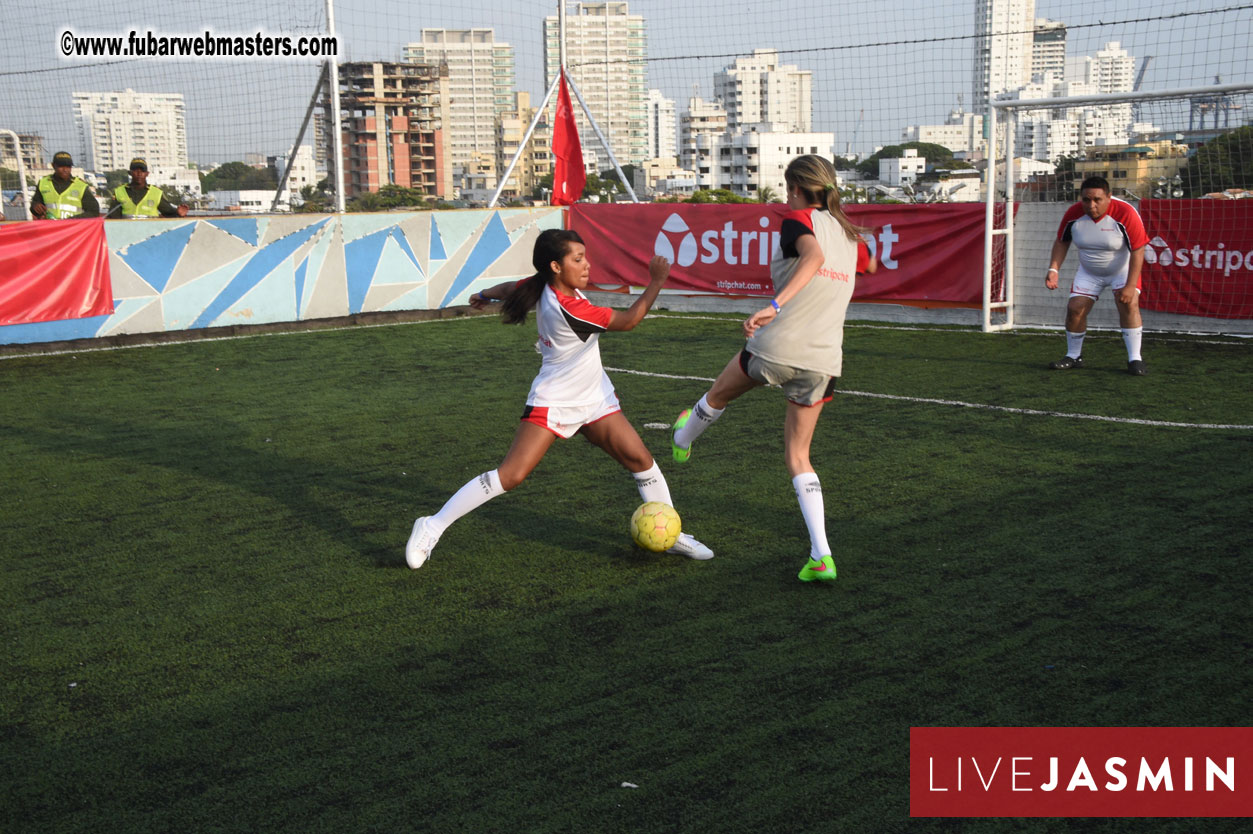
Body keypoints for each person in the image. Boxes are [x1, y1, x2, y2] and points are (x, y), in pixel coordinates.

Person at [405, 228, 714, 569]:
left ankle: (671, 535)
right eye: (577, 259)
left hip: (594, 396)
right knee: (511, 475)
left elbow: (513, 288)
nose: (586, 265)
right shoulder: (568, 307)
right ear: (555, 266)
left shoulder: (542, 285)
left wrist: (484, 294)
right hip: (555, 400)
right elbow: (628, 321)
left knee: (641, 461)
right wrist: (656, 281)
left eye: (585, 257)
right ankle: (431, 525)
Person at [668, 154, 871, 584]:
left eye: (787, 185)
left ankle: (682, 439)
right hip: (824, 359)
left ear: (796, 188)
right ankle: (822, 555)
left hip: (779, 345)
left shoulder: (796, 220)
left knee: (717, 395)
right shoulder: (852, 235)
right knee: (799, 457)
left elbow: (813, 257)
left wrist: (774, 305)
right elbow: (866, 264)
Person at [1044, 176, 1149, 376]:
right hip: (1089, 272)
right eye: (1086, 200)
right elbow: (1061, 241)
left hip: (1122, 270)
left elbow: (1138, 249)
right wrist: (1054, 269)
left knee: (1128, 304)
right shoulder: (1074, 214)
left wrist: (1130, 285)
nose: (1091, 205)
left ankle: (1135, 359)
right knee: (1075, 309)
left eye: (1097, 200)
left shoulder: (1126, 213)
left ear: (1109, 197)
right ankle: (1074, 356)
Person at [106, 158, 189, 218]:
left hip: (150, 236)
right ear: (130, 173)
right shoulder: (119, 192)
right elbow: (112, 218)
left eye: (142, 171)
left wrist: (178, 213)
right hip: (126, 235)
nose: (139, 173)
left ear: (147, 173)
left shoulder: (155, 193)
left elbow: (169, 212)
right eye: (135, 170)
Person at [30, 151, 100, 219]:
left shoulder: (81, 186)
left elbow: (94, 212)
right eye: (61, 166)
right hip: (50, 228)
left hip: (72, 228)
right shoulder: (43, 183)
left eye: (68, 166)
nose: (65, 170)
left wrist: (72, 220)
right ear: (53, 165)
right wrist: (35, 206)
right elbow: (35, 205)